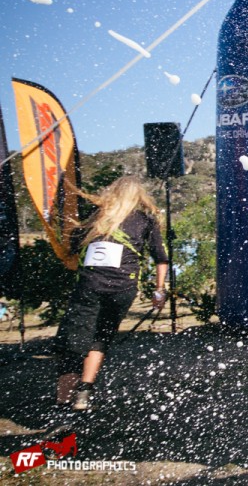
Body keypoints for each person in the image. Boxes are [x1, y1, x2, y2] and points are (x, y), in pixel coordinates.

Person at [54, 176, 169, 411]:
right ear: (139, 196)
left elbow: (72, 247)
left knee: (74, 339)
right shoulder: (146, 219)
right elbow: (161, 257)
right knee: (100, 337)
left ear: (112, 193)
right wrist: (159, 291)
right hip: (123, 288)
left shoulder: (98, 216)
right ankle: (83, 394)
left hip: (90, 284)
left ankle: (64, 399)